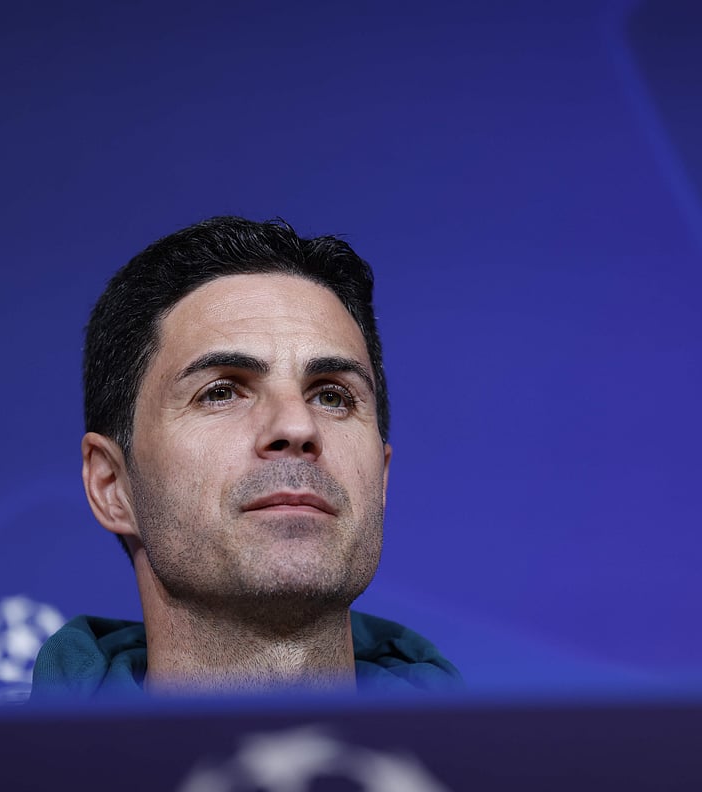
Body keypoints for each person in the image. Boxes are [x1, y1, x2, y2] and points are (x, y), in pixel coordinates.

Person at [30, 216, 461, 698]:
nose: (298, 427)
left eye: (333, 396)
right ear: (113, 485)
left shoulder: (509, 771)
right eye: (220, 392)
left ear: (381, 480)